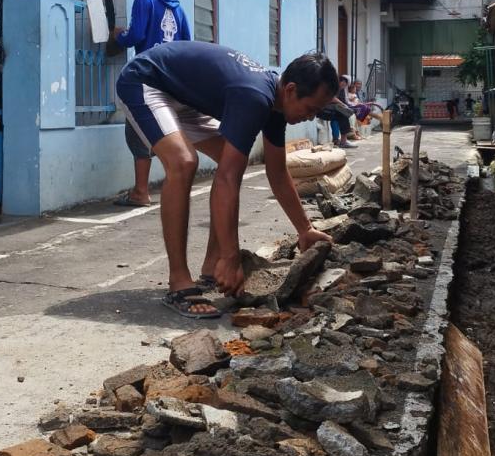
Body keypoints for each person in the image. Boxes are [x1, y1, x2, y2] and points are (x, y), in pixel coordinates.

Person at [116, 42, 338, 317]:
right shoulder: (255, 97)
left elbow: (277, 172)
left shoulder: (275, 104)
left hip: (181, 97)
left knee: (231, 160)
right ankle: (179, 283)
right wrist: (233, 257)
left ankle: (212, 266)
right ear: (291, 90)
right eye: (310, 108)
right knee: (183, 162)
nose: (310, 117)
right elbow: (226, 180)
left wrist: (305, 229)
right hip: (144, 81)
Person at [112, 0, 191, 207]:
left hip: (147, 75)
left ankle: (141, 191)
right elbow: (186, 43)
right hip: (172, 78)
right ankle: (175, 184)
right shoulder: (177, 6)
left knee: (136, 131)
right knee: (167, 130)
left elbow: (135, 36)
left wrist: (118, 35)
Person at [318, 74, 357, 148]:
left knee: (341, 115)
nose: (344, 87)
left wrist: (345, 106)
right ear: (341, 82)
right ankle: (343, 141)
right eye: (344, 84)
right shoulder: (331, 86)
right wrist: (343, 105)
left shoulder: (337, 89)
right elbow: (332, 98)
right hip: (321, 110)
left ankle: (341, 140)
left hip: (327, 109)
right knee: (342, 114)